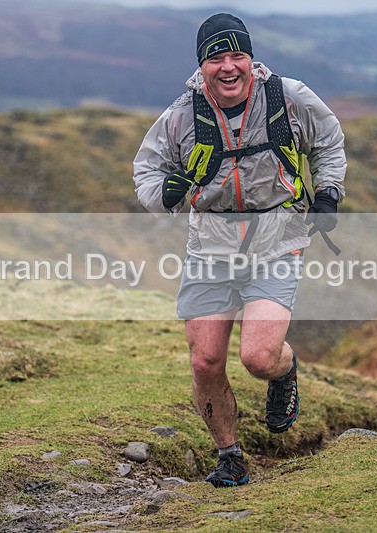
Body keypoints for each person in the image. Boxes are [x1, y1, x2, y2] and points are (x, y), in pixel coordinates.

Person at [133, 13, 346, 486]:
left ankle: (284, 370)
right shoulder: (180, 117)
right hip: (211, 245)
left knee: (258, 357)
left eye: (237, 56)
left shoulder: (288, 98)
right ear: (201, 65)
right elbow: (145, 174)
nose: (228, 67)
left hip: (277, 237)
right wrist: (165, 194)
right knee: (205, 360)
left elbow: (328, 142)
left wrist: (329, 193)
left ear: (251, 58)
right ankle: (229, 455)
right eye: (216, 58)